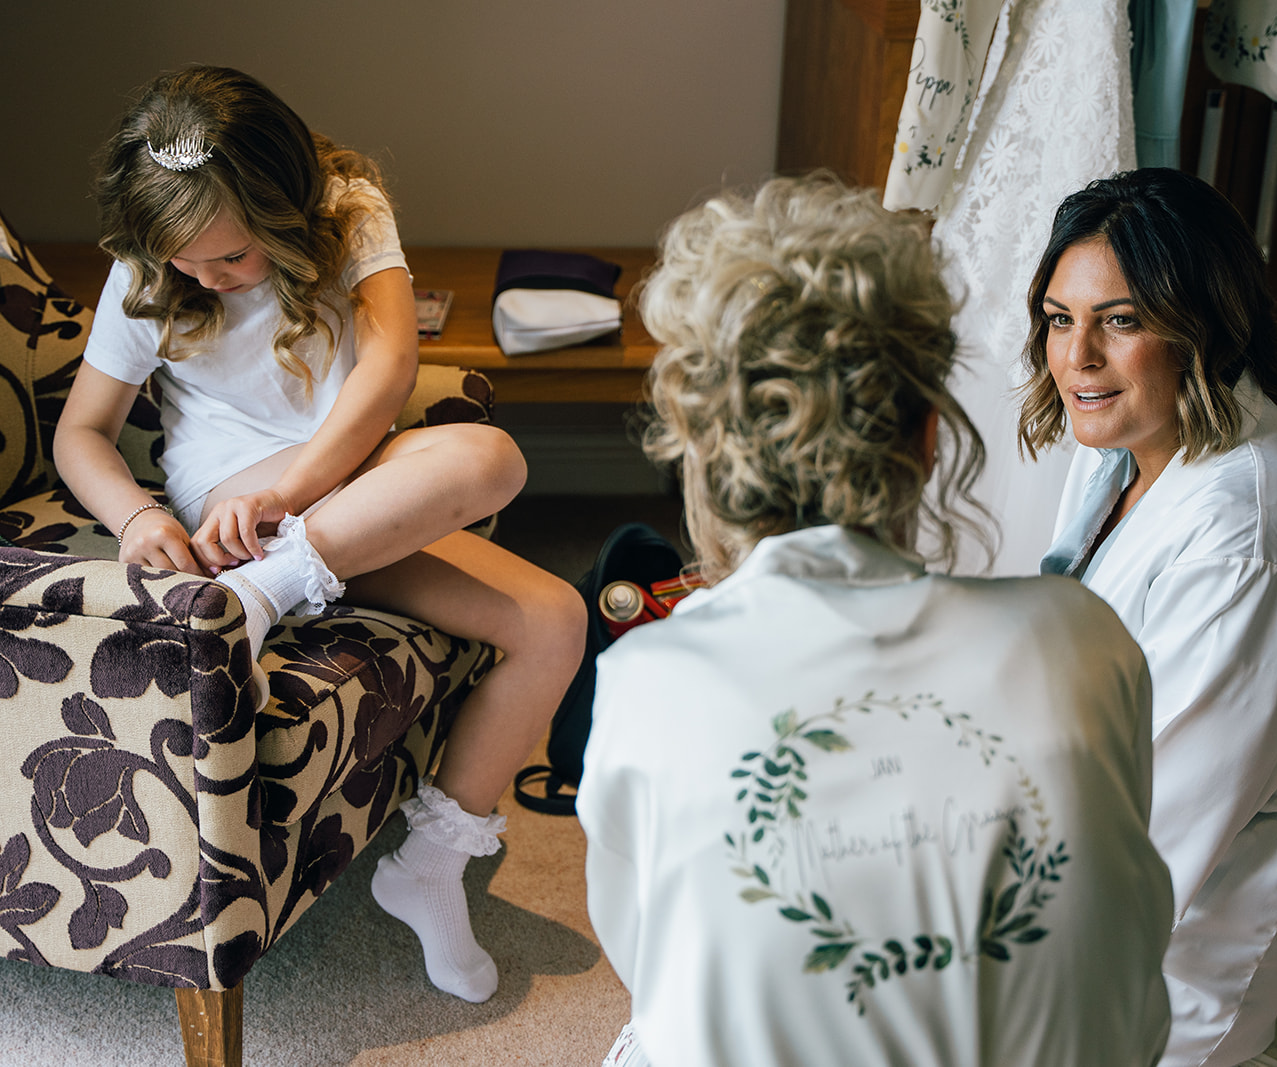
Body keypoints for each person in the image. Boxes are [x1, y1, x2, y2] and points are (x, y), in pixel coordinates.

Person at [576, 175, 1174, 1067]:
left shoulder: (647, 680)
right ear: (929, 434)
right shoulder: (1082, 636)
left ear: (703, 447)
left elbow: (651, 956)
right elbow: (1131, 951)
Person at [54, 66, 586, 1004]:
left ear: (287, 210)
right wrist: (140, 516)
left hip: (335, 485)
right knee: (492, 464)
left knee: (552, 611)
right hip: (233, 499)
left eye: (232, 260)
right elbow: (82, 430)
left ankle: (427, 863)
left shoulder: (348, 206)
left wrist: (308, 485)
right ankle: (257, 585)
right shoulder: (149, 263)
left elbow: (388, 366)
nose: (205, 278)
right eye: (189, 263)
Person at [1019, 167, 1277, 1067]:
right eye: (1060, 319)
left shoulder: (1250, 552)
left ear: (1204, 325)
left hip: (1168, 945)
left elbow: (1140, 848)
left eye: (1120, 321)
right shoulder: (1133, 444)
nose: (1076, 360)